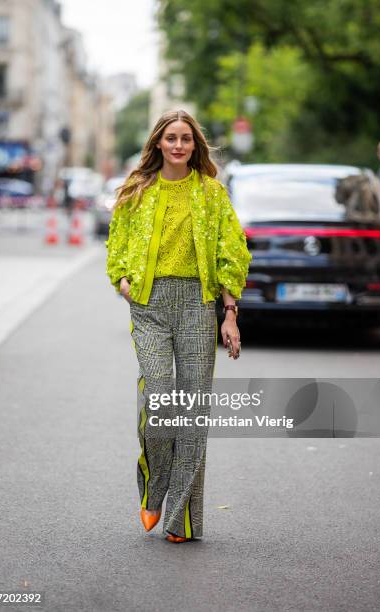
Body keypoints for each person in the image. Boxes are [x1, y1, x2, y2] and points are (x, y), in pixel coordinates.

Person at [105, 109, 252, 543]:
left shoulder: (210, 193)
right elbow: (117, 241)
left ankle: (183, 521)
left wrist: (230, 312)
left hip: (195, 302)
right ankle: (154, 486)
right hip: (149, 304)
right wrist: (124, 280)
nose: (178, 145)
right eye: (171, 137)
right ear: (158, 143)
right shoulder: (138, 190)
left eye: (186, 138)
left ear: (195, 145)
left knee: (191, 410)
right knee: (159, 396)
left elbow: (232, 249)